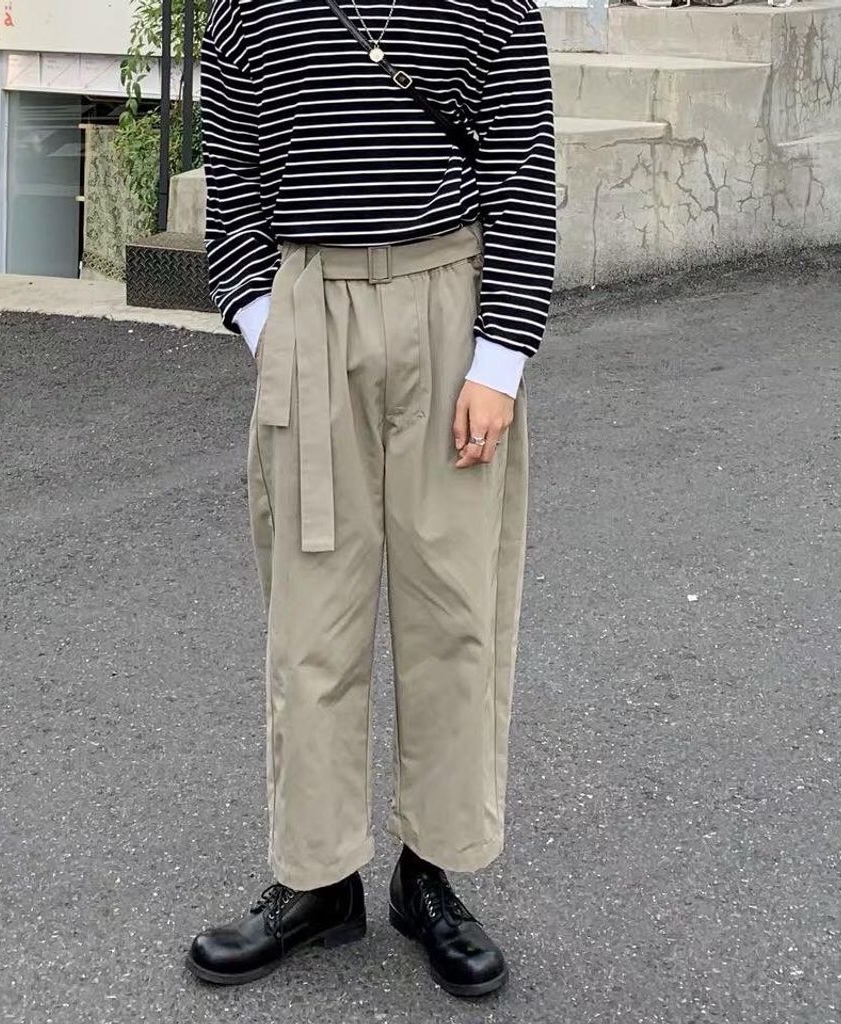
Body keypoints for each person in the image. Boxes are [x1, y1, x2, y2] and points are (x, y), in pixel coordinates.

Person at [189, 0, 555, 998]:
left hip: (452, 304)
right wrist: (274, 333)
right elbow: (235, 197)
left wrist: (500, 359)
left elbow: (523, 177)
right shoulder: (245, 13)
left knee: (454, 614)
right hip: (310, 309)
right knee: (311, 624)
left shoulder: (491, 5)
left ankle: (430, 870)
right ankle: (317, 878)